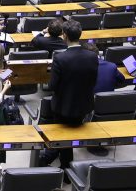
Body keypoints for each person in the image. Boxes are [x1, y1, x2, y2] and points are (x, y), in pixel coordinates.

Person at [40, 20, 98, 170]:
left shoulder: (60, 58)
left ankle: (65, 168)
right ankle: (59, 160)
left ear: (64, 35)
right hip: (84, 105)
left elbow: (52, 86)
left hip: (63, 106)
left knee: (63, 137)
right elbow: (93, 80)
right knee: (69, 136)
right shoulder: (92, 56)